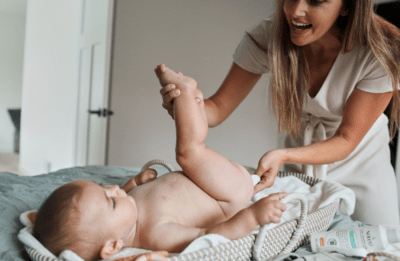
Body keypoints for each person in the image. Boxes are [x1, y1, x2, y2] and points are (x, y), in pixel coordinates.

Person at [158, 0, 400, 226]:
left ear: (346, 6)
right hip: (298, 159)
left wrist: (283, 155)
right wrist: (186, 103)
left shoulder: (383, 52)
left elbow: (346, 139)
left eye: (315, 0)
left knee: (387, 246)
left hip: (360, 161)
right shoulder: (268, 37)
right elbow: (216, 110)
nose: (295, 11)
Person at [32, 64, 287, 261]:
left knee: (192, 156)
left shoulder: (125, 208)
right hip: (227, 196)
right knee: (190, 153)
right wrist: (252, 216)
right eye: (109, 201)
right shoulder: (155, 235)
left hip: (202, 181)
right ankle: (187, 95)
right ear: (112, 246)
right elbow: (209, 237)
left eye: (102, 189)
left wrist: (135, 181)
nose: (113, 189)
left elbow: (124, 192)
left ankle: (193, 103)